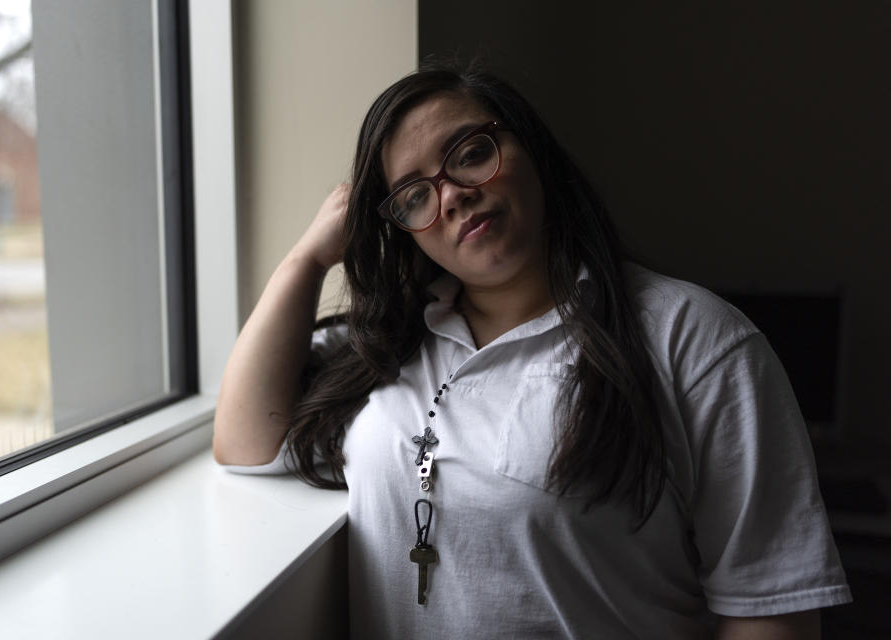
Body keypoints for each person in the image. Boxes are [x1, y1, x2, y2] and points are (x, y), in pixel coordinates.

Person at [212, 64, 851, 639]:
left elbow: (771, 609)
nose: (452, 194)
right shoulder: (389, 345)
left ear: (532, 149)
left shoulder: (695, 339)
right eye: (414, 196)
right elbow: (244, 442)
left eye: (470, 153)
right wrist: (307, 258)